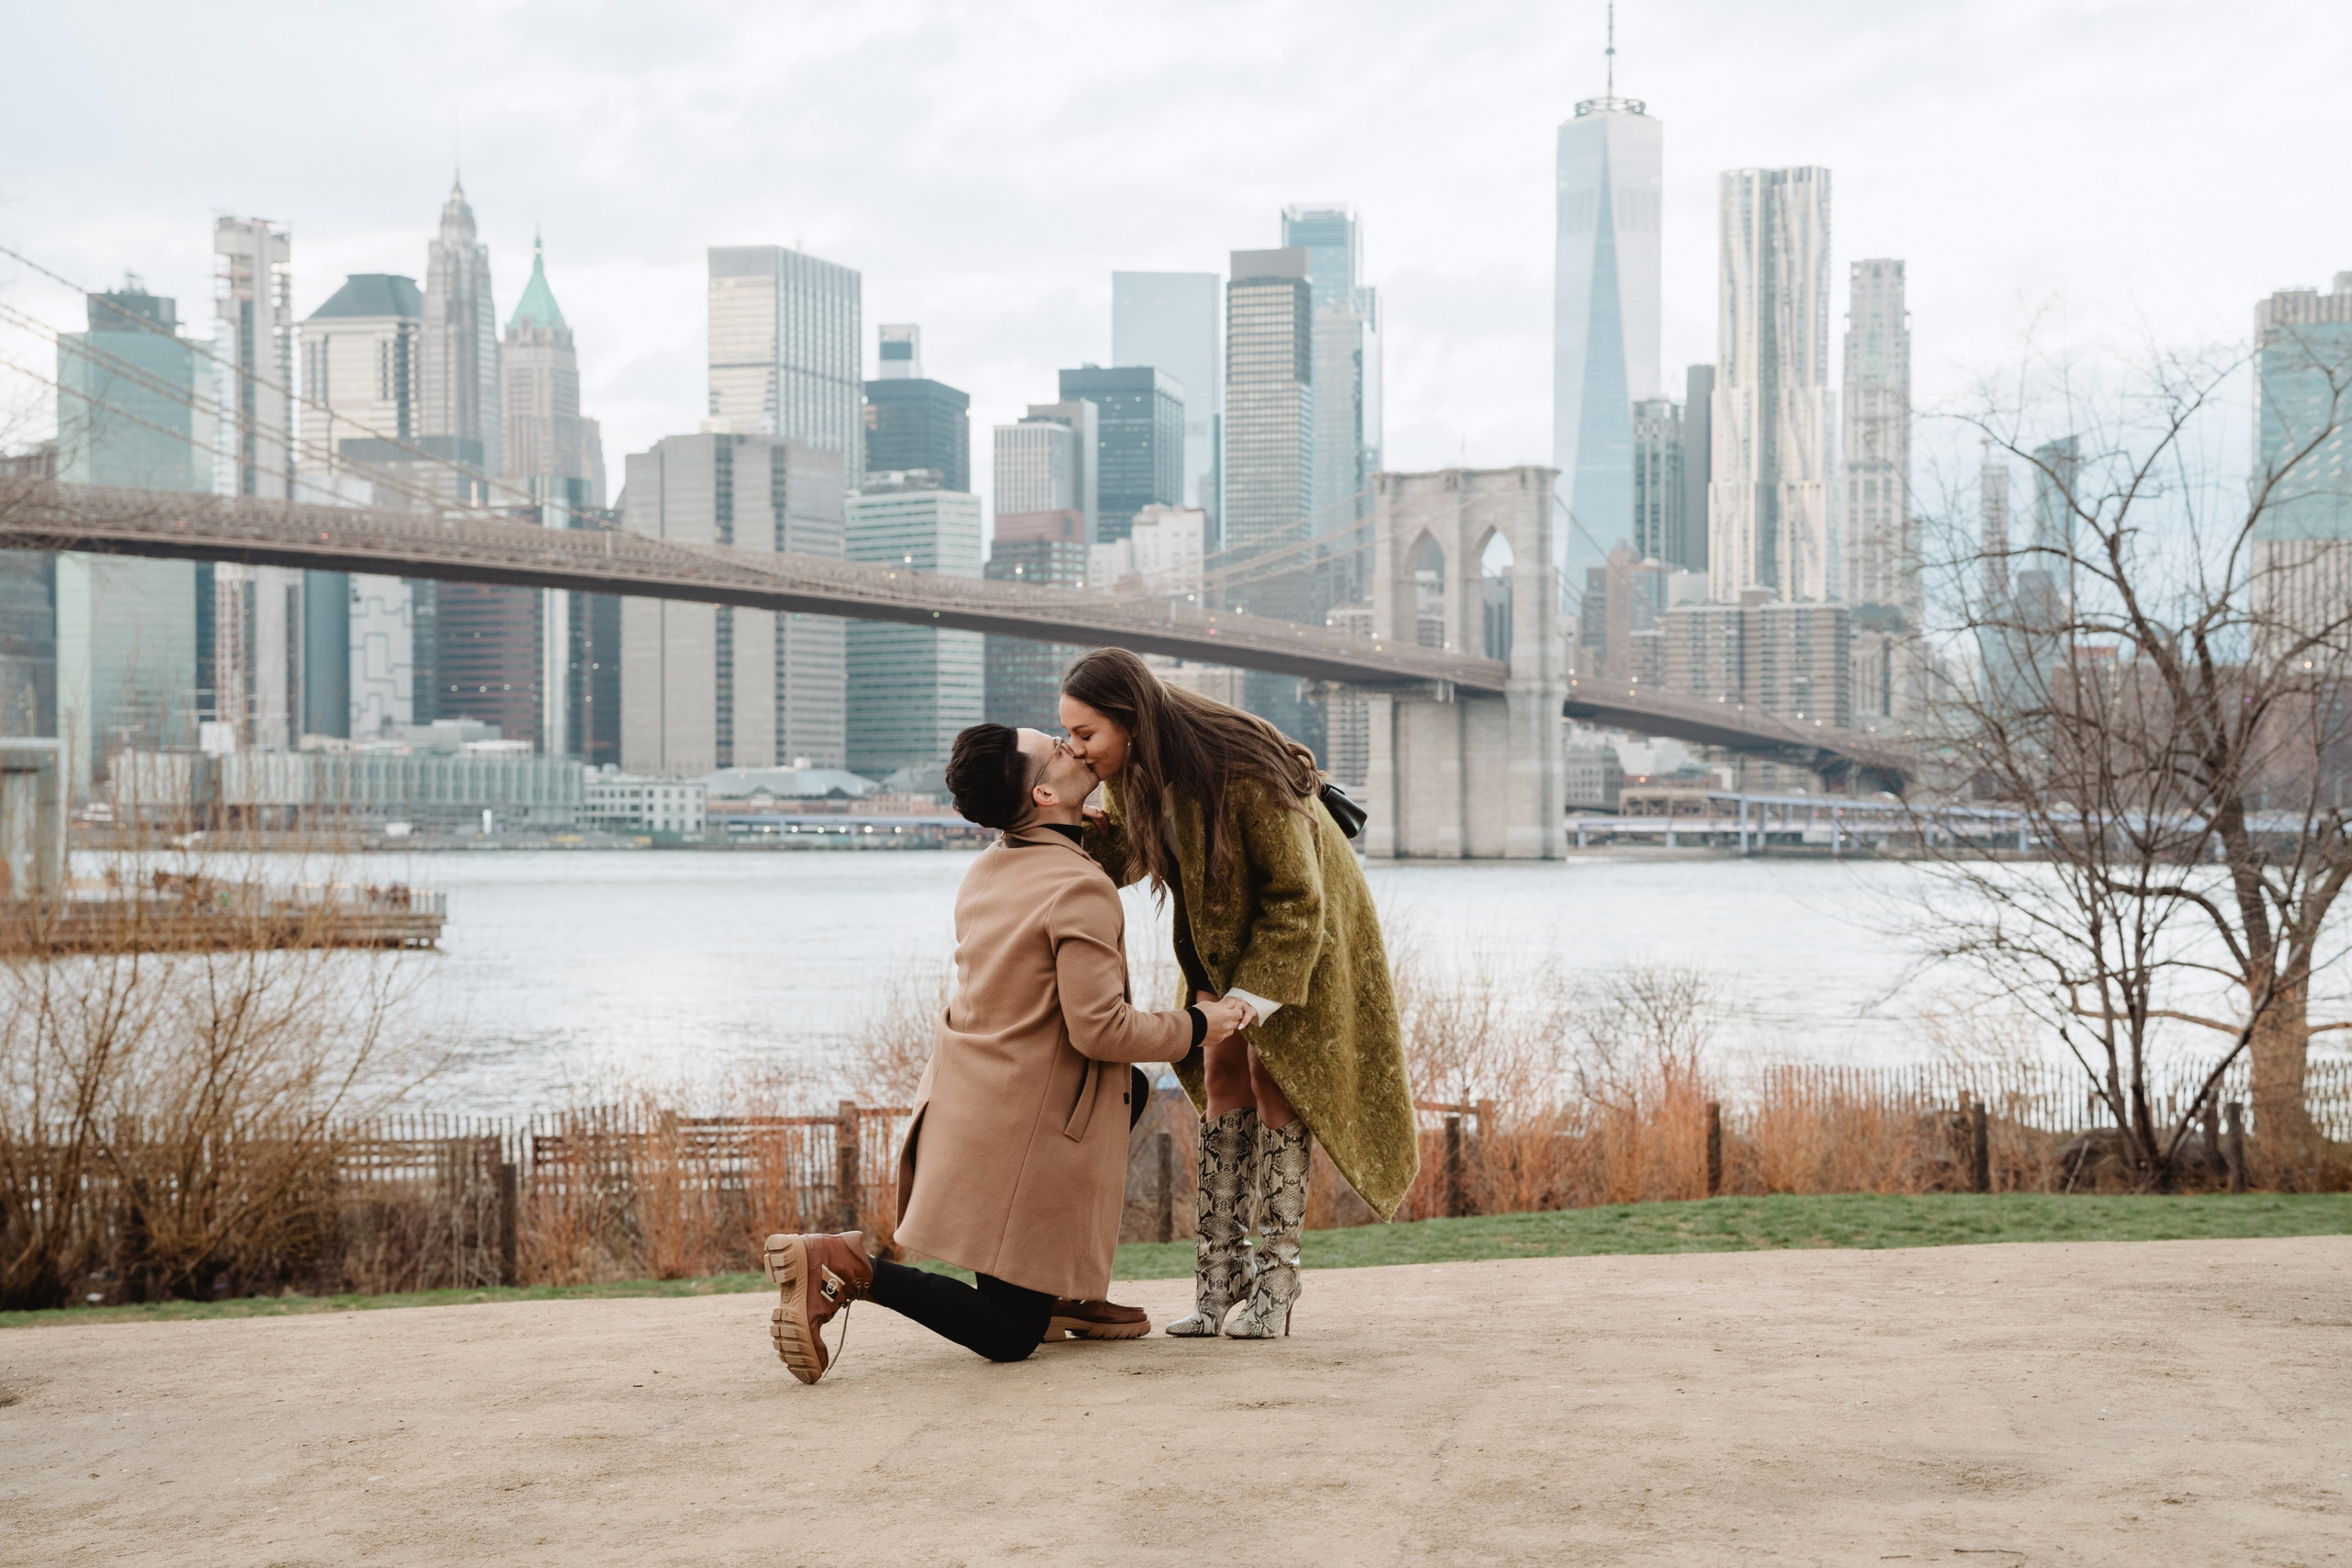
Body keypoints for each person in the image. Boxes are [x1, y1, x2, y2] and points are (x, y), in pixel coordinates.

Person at [763, 722, 1250, 1385]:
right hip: (1022, 1132)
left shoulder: (988, 868)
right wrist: (1201, 1023)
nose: (1071, 743)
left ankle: (1055, 1288)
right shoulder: (1080, 888)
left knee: (1126, 1090)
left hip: (972, 1102)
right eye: (1056, 746)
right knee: (1009, 1335)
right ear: (1045, 790)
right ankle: (848, 1266)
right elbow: (1100, 1029)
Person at [1059, 648, 1417, 1338]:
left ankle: (1277, 1289)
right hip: (1223, 940)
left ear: (1130, 721)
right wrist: (1056, 815)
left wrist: (1255, 998)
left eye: (1085, 734)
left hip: (1305, 937)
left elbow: (1297, 896)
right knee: (1221, 1074)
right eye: (1068, 735)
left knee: (1275, 1078)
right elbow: (1126, 853)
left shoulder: (1238, 766)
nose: (1077, 748)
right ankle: (1217, 1285)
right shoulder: (1136, 773)